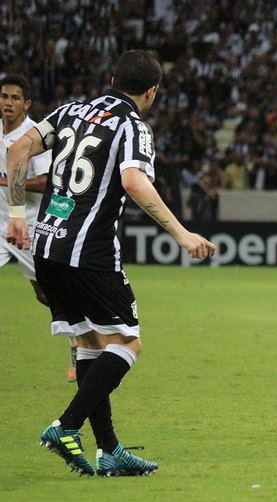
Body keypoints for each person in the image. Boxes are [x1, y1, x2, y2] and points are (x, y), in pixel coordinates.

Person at [6, 50, 216, 476]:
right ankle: (65, 426)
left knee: (89, 344)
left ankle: (108, 450)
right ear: (152, 91)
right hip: (89, 252)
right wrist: (182, 234)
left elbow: (17, 150)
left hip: (46, 245)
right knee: (127, 342)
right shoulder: (132, 126)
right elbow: (134, 180)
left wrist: (13, 215)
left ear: (113, 77)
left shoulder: (71, 110)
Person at [0, 74, 78, 382]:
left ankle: (76, 341)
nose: (8, 103)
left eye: (14, 98)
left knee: (45, 292)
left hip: (28, 223)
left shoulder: (33, 137)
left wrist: (7, 181)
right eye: (4, 97)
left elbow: (47, 182)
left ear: (26, 103)